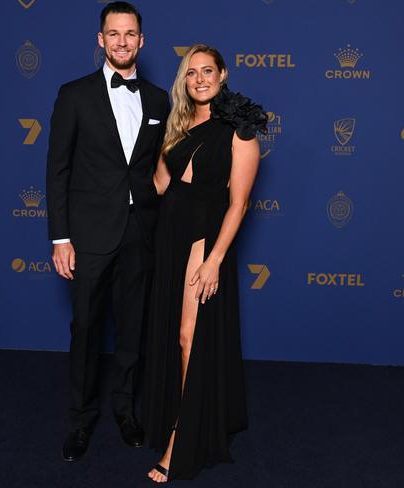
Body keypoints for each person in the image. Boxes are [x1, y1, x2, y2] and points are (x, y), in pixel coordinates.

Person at [46, 2, 169, 463]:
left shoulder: (158, 99)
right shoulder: (73, 94)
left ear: (142, 40)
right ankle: (80, 420)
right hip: (90, 235)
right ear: (101, 39)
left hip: (140, 233)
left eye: (130, 34)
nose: (121, 41)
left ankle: (125, 411)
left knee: (133, 329)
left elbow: (162, 165)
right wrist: (61, 238)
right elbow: (56, 170)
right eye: (113, 34)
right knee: (86, 329)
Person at [142, 44, 268, 481]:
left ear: (223, 74)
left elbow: (238, 205)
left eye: (207, 70)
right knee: (169, 334)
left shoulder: (240, 130)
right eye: (191, 72)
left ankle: (184, 435)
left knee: (187, 336)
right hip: (169, 234)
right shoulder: (179, 123)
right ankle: (178, 414)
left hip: (203, 237)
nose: (199, 78)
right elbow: (160, 184)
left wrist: (214, 259)